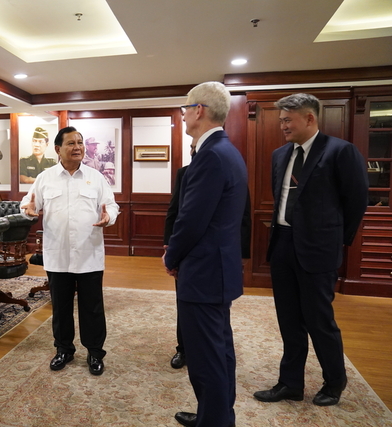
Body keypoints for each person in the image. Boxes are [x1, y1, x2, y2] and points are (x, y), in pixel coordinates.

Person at [253, 93, 368, 407]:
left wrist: (335, 240)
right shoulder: (280, 155)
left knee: (319, 320)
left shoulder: (340, 151)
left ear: (310, 118)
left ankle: (334, 382)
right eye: (281, 120)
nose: (283, 126)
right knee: (288, 320)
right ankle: (290, 383)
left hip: (318, 249)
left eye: (288, 120)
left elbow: (356, 200)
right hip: (282, 244)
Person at [163, 81, 247, 427]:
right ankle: (217, 415)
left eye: (185, 109)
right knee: (219, 350)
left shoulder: (210, 155)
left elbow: (191, 220)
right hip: (218, 270)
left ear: (199, 110)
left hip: (204, 273)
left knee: (206, 357)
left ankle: (214, 421)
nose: (182, 115)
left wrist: (171, 257)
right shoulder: (226, 150)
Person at [21, 126, 119, 376]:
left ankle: (95, 352)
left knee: (92, 308)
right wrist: (29, 211)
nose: (77, 147)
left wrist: (108, 217)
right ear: (58, 149)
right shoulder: (45, 178)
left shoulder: (96, 177)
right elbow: (28, 204)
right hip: (58, 255)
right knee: (61, 308)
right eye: (71, 143)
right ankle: (64, 349)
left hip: (89, 254)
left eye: (80, 143)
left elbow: (111, 206)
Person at [163, 144, 252, 372]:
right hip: (185, 255)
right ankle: (183, 348)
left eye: (197, 145)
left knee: (214, 325)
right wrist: (169, 246)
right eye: (192, 147)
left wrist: (242, 254)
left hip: (211, 258)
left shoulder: (224, 165)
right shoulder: (184, 173)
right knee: (184, 305)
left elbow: (242, 215)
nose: (195, 149)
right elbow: (175, 211)